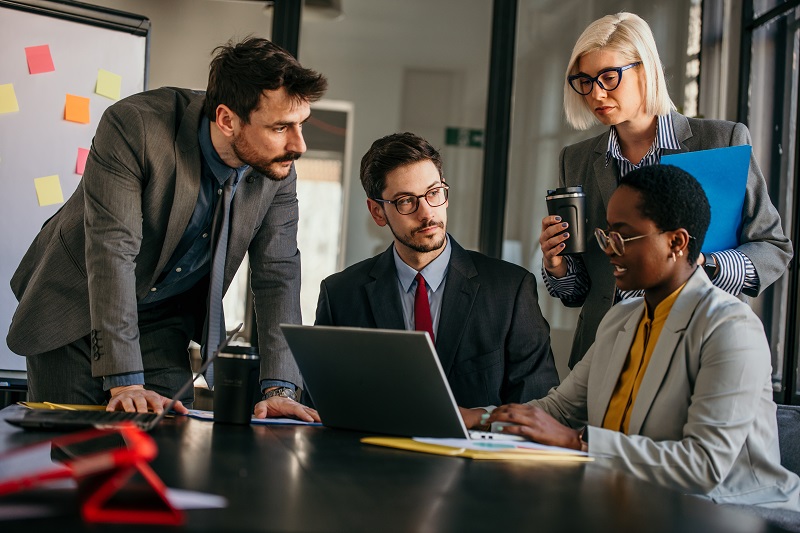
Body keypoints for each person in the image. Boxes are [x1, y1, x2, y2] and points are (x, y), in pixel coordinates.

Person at [7, 37, 325, 422]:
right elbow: (113, 250)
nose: (299, 144)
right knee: (74, 451)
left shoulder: (277, 167)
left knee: (170, 446)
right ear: (227, 120)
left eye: (301, 124)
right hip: (80, 306)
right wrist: (125, 381)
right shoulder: (135, 126)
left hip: (163, 321)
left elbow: (279, 275)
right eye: (281, 127)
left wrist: (279, 388)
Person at [489, 164, 800, 511]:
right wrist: (478, 420)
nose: (609, 249)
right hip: (634, 502)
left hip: (732, 514)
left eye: (623, 236)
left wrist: (577, 442)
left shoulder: (730, 328)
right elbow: (559, 409)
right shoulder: (621, 318)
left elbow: (704, 466)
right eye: (607, 235)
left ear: (676, 242)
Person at [539, 12, 792, 368]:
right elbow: (582, 291)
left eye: (609, 77)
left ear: (646, 70)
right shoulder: (576, 159)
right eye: (584, 80)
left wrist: (707, 264)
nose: (596, 93)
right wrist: (558, 266)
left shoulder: (719, 141)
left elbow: (774, 248)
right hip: (605, 356)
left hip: (697, 350)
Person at [315, 132, 559, 429]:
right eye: (406, 201)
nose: (427, 212)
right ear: (378, 211)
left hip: (480, 470)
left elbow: (537, 413)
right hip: (373, 467)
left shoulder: (509, 290)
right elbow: (323, 409)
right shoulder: (340, 294)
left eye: (434, 193)